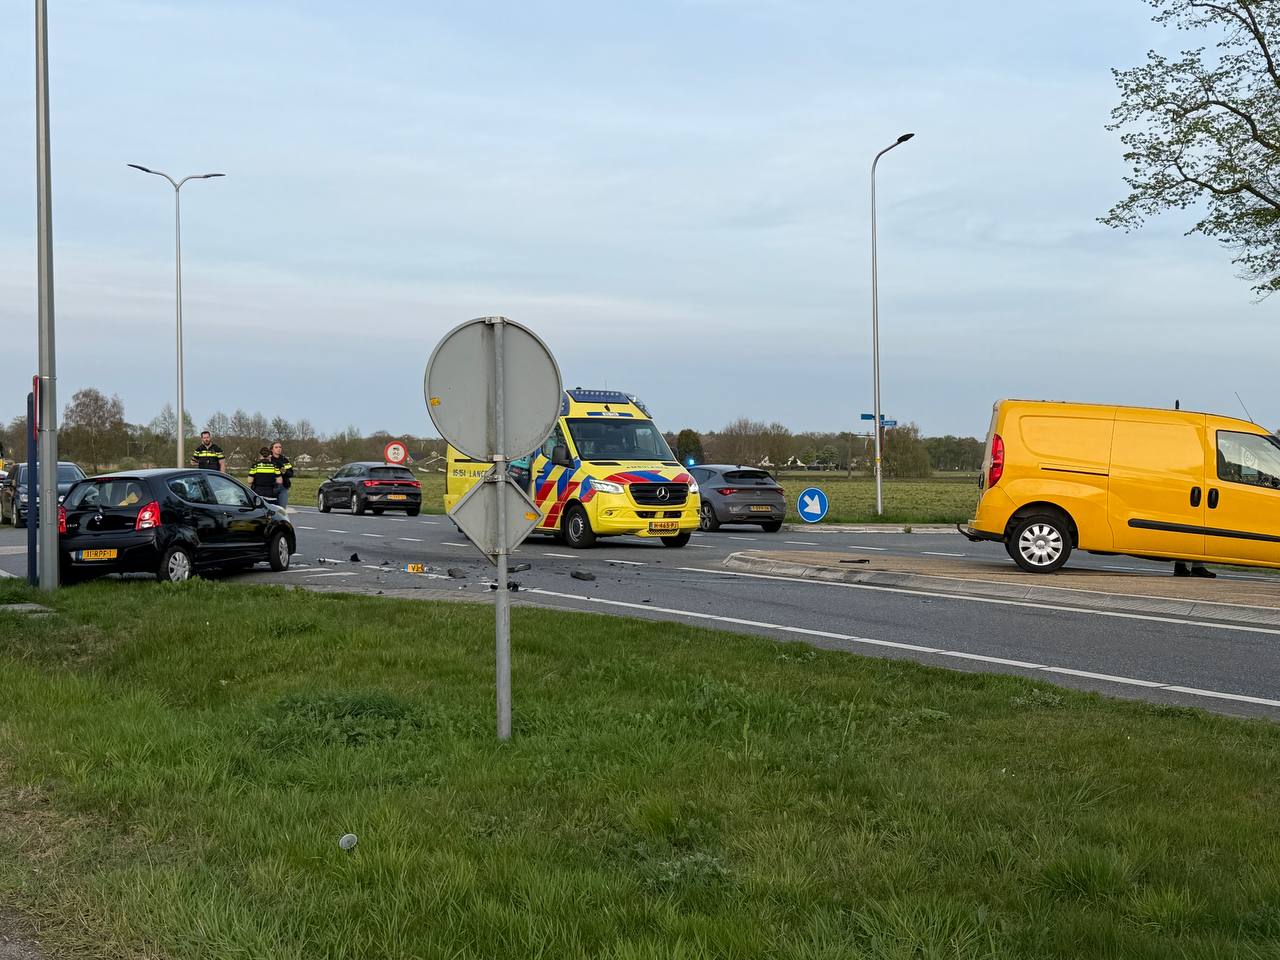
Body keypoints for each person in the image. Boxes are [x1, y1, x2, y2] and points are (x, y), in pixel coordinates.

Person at [269, 440, 294, 509]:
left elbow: (291, 473)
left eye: (280, 447)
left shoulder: (284, 460)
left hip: (283, 487)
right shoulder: (268, 460)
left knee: (282, 510)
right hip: (271, 487)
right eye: (276, 447)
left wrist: (284, 472)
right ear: (272, 449)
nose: (279, 449)